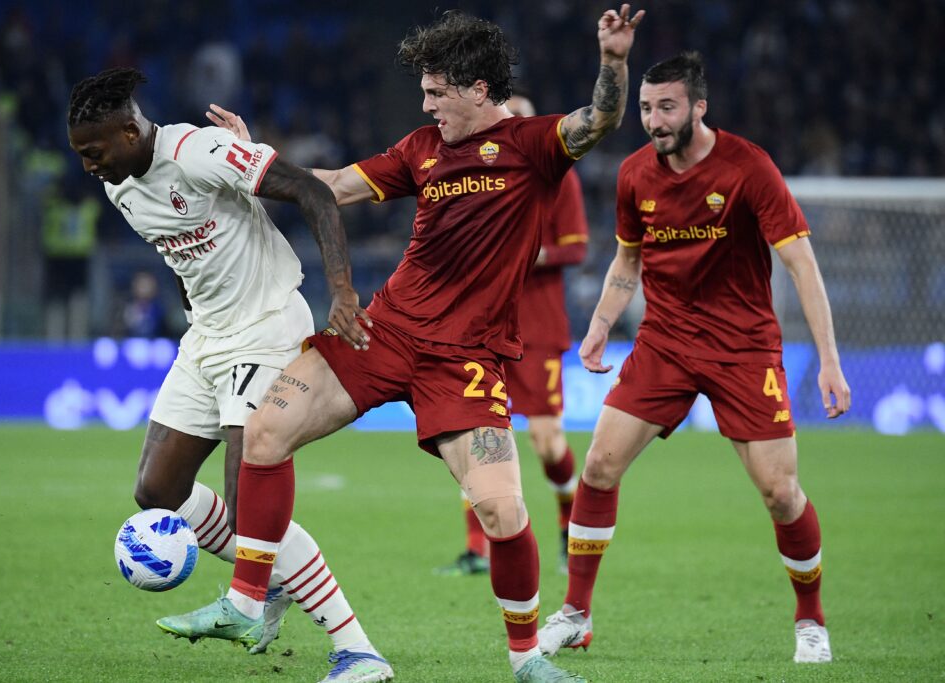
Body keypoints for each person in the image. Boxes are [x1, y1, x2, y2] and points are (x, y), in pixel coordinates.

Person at [179, 7, 645, 682]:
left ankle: (526, 658)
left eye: (436, 93)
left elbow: (599, 118)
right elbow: (335, 185)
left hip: (466, 359)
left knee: (502, 510)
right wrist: (254, 159)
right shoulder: (421, 149)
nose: (426, 106)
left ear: (478, 90)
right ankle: (247, 601)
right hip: (384, 331)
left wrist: (614, 61)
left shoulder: (532, 143)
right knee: (265, 430)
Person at [66, 67, 394, 683]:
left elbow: (313, 192)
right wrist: (194, 317)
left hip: (266, 324)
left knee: (252, 509)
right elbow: (179, 254)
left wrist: (343, 291)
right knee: (157, 490)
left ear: (131, 131)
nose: (88, 165)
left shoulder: (198, 151)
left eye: (95, 151)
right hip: (207, 337)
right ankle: (272, 577)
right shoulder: (120, 188)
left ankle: (358, 652)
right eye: (81, 154)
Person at [536, 51, 851, 665]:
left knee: (781, 493)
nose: (654, 120)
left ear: (699, 107)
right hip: (666, 342)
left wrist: (830, 361)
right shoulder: (634, 174)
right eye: (646, 108)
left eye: (667, 107)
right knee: (598, 465)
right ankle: (575, 614)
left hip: (743, 347)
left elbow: (801, 264)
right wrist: (599, 326)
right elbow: (627, 261)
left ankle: (811, 620)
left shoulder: (748, 167)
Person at [437, 92, 589, 578]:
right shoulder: (477, 179)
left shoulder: (559, 178)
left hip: (537, 327)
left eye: (520, 119)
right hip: (482, 326)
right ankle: (475, 549)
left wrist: (525, 251)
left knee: (546, 441)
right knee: (473, 436)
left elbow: (576, 247)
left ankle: (568, 526)